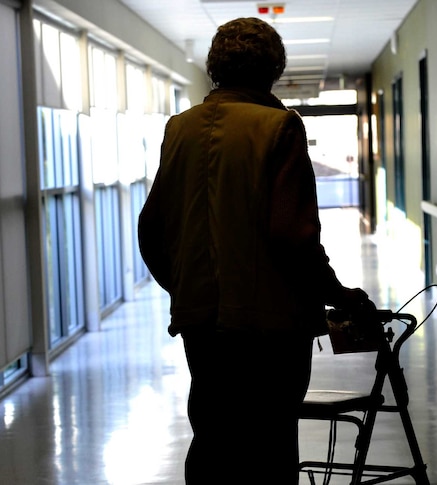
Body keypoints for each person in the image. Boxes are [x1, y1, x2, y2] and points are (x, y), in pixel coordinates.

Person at [137, 17, 372, 484]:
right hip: (270, 328)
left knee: (213, 439)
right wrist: (339, 295)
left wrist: (186, 286)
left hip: (201, 322)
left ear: (215, 68)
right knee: (268, 444)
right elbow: (293, 236)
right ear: (273, 70)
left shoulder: (179, 128)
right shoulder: (279, 126)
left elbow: (151, 230)